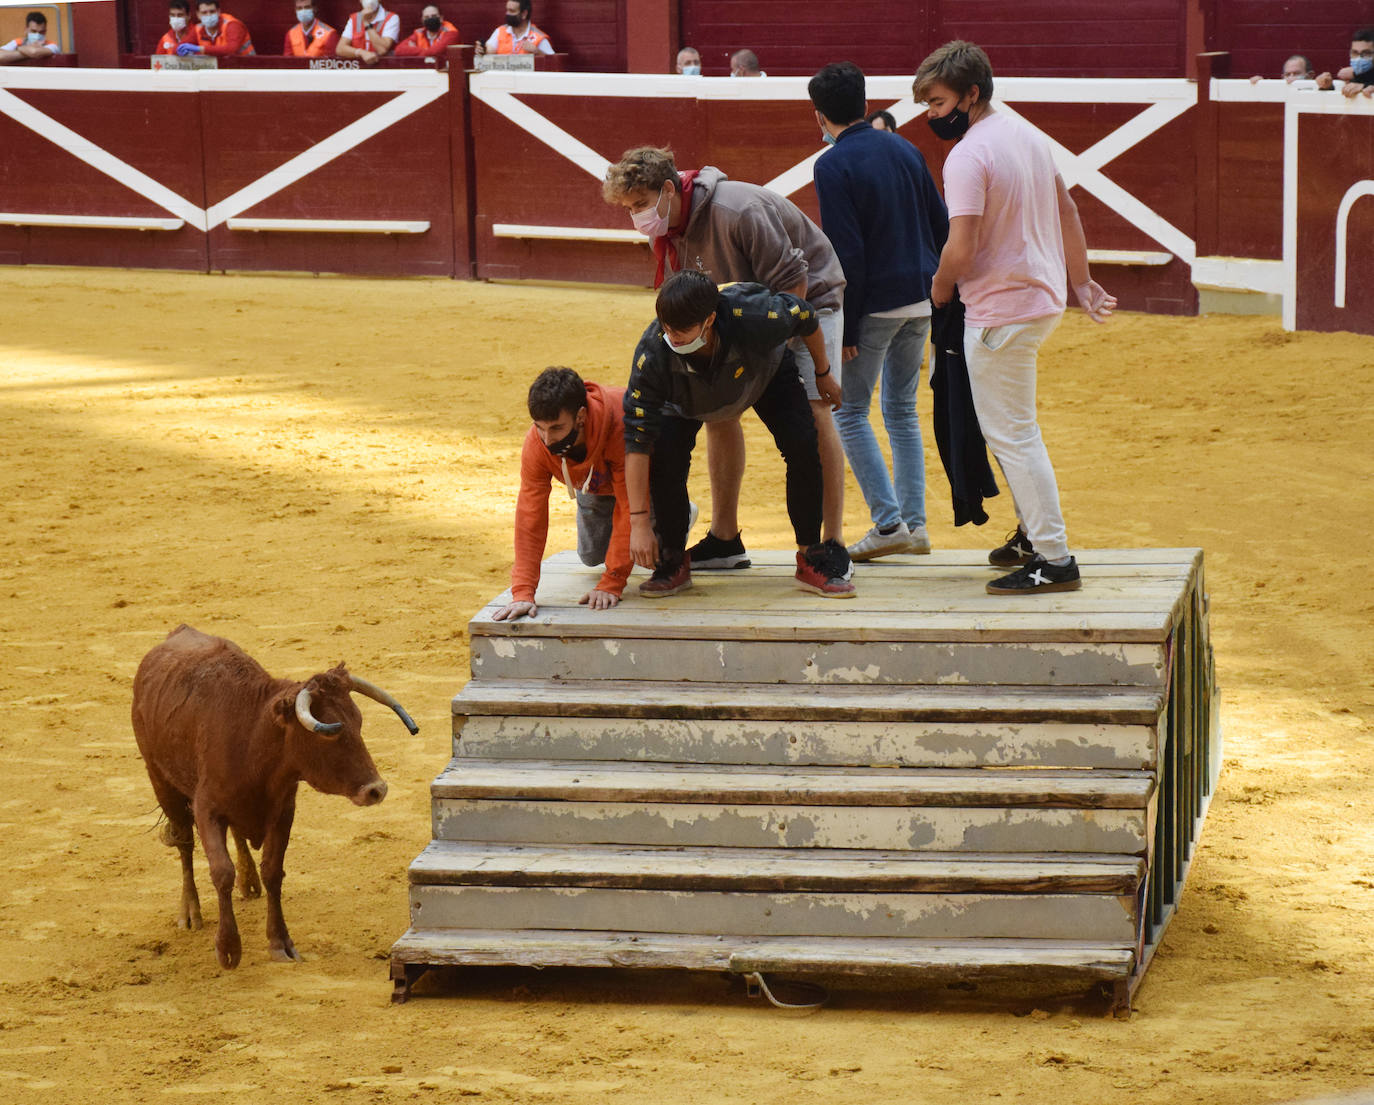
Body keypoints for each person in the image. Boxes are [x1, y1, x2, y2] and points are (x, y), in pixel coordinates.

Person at [915, 40, 1116, 595]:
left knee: (1013, 434)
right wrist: (1080, 281)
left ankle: (1054, 558)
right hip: (1038, 299)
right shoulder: (1026, 135)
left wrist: (939, 286)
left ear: (970, 94)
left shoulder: (967, 155)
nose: (933, 114)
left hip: (999, 310)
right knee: (1010, 429)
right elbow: (1067, 210)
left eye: (937, 102)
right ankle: (1033, 536)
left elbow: (962, 244)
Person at [603, 146, 848, 573]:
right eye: (628, 209)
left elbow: (794, 284)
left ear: (667, 189)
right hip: (734, 318)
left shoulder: (739, 210)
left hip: (807, 303)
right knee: (716, 408)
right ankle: (725, 536)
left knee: (811, 407)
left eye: (640, 205)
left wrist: (764, 361)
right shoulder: (666, 229)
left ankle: (829, 543)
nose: (637, 217)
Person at [624, 272, 854, 599]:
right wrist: (639, 523)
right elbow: (636, 442)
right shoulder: (654, 353)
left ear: (710, 319)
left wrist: (824, 373)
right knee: (665, 458)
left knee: (803, 443)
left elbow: (805, 315)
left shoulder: (757, 315)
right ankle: (673, 558)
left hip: (765, 376)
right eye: (666, 327)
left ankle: (810, 555)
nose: (672, 337)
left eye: (682, 330)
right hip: (685, 399)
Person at [810, 61, 949, 561]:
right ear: (865, 104)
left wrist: (846, 321)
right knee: (901, 411)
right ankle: (915, 525)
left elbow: (847, 249)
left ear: (820, 115)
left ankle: (889, 523)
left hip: (875, 306)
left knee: (848, 412)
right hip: (921, 298)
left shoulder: (830, 165)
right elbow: (940, 222)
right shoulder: (906, 148)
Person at [492, 367, 633, 621]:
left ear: (581, 416)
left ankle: (677, 513)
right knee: (592, 557)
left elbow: (630, 505)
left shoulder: (619, 424)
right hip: (595, 482)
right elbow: (529, 517)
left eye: (556, 428)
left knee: (656, 555)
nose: (547, 440)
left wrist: (612, 582)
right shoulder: (536, 444)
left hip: (644, 479)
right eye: (540, 428)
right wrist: (523, 591)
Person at [474, 1, 553, 56]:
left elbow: (553, 62)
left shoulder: (538, 37)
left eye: (512, 11)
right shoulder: (500, 31)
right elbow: (489, 50)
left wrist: (537, 52)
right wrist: (482, 50)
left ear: (524, 14)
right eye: (507, 10)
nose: (507, 14)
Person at [178, 0, 254, 56]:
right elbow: (177, 47)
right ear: (198, 15)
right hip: (220, 69)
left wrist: (199, 49)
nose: (209, 15)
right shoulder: (198, 29)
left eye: (212, 11)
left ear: (218, 11)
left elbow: (231, 49)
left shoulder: (232, 25)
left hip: (247, 67)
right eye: (204, 12)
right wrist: (181, 50)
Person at [336, 0, 399, 64]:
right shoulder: (354, 18)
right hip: (361, 68)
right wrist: (361, 52)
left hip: (385, 67)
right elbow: (340, 48)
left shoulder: (392, 18)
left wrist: (367, 22)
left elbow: (381, 50)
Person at [394, 5, 459, 57]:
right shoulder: (419, 33)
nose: (430, 19)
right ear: (422, 20)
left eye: (434, 16)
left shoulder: (451, 32)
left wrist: (414, 50)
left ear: (441, 18)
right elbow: (399, 50)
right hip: (425, 69)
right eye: (426, 17)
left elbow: (435, 52)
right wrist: (426, 51)